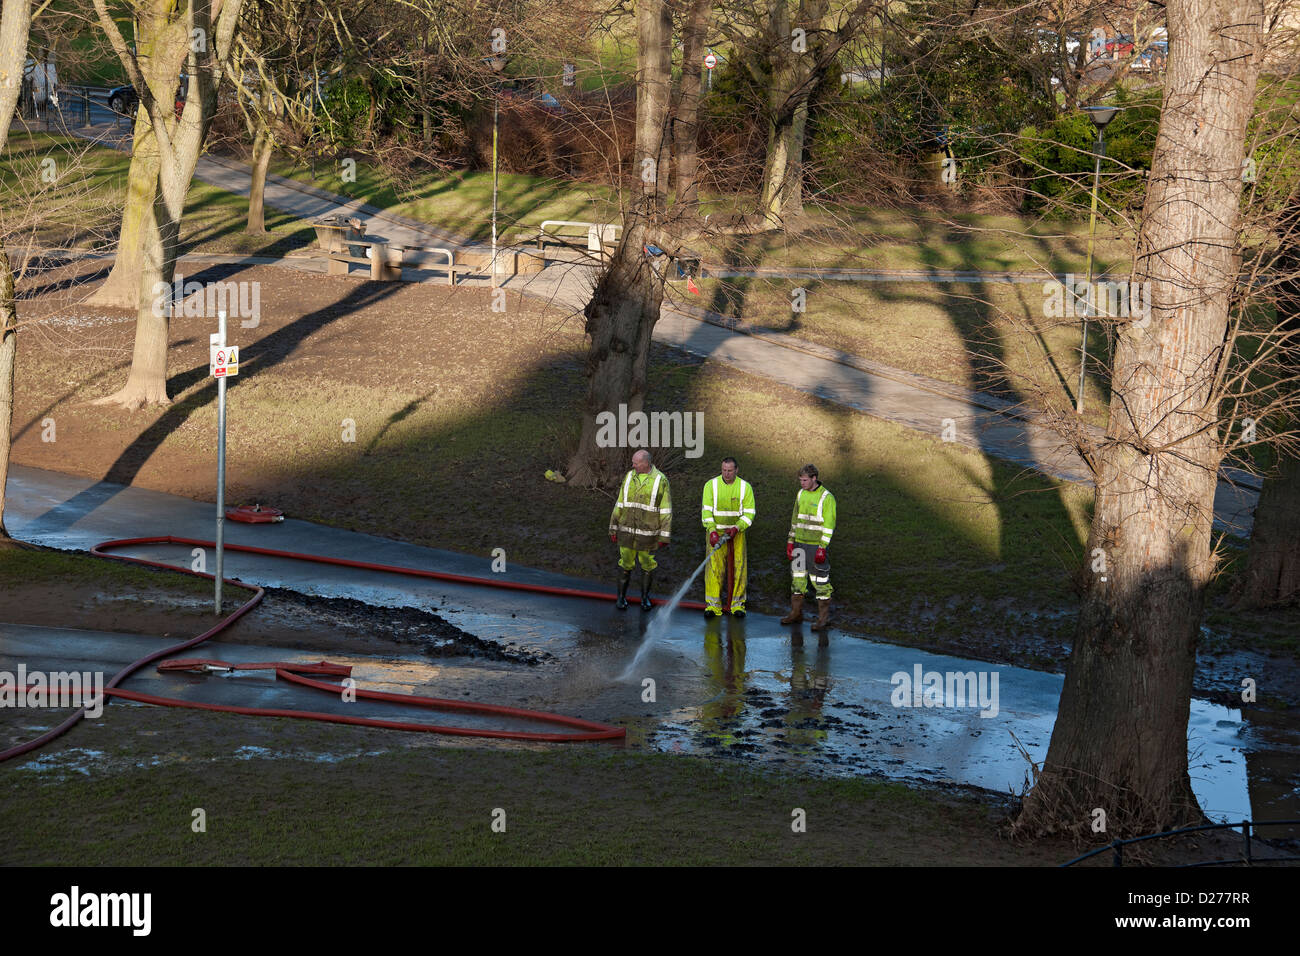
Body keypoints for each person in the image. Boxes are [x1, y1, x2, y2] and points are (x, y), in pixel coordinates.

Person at [609, 449, 672, 610]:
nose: (633, 465)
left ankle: (645, 598)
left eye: (636, 463)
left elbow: (666, 510)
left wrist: (664, 536)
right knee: (625, 563)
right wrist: (613, 528)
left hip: (647, 535)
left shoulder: (660, 480)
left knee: (648, 564)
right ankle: (621, 598)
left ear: (646, 463)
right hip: (626, 532)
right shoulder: (629, 476)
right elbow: (620, 503)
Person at [781, 463, 837, 630]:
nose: (802, 483)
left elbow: (829, 525)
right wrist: (791, 541)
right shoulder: (800, 494)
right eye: (800, 480)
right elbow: (795, 519)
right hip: (799, 544)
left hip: (815, 547)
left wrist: (822, 547)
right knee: (797, 579)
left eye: (805, 480)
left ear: (814, 478)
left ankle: (823, 619)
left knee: (820, 581)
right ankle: (796, 613)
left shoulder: (827, 498)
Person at [701, 457, 756, 617]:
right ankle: (713, 606)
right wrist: (711, 530)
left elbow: (749, 513)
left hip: (736, 533)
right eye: (724, 470)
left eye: (730, 470)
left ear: (736, 470)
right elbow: (706, 511)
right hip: (716, 533)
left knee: (739, 567)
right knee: (713, 568)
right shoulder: (711, 485)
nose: (726, 473)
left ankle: (738, 605)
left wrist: (737, 527)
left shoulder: (745, 487)